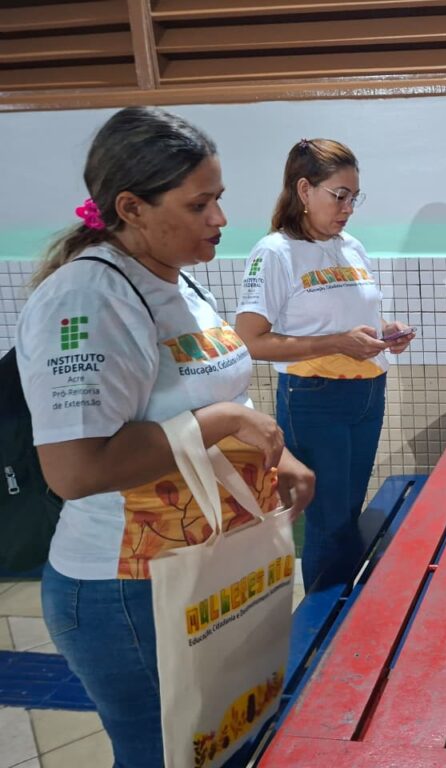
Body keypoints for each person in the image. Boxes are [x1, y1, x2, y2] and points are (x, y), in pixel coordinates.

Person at [15, 107, 315, 767]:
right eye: (198, 204)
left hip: (202, 564)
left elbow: (210, 392)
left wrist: (276, 452)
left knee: (221, 746)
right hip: (128, 588)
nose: (220, 219)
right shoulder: (88, 299)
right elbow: (76, 469)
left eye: (218, 198)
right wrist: (225, 423)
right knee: (168, 755)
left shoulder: (174, 278)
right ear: (132, 207)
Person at [234, 138, 414, 592]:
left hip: (367, 392)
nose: (348, 208)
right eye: (340, 195)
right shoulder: (275, 252)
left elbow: (351, 317)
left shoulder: (351, 246)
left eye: (355, 197)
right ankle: (323, 618)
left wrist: (385, 331)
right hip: (314, 398)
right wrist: (337, 343)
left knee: (349, 511)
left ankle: (344, 610)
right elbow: (251, 340)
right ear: (304, 190)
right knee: (329, 521)